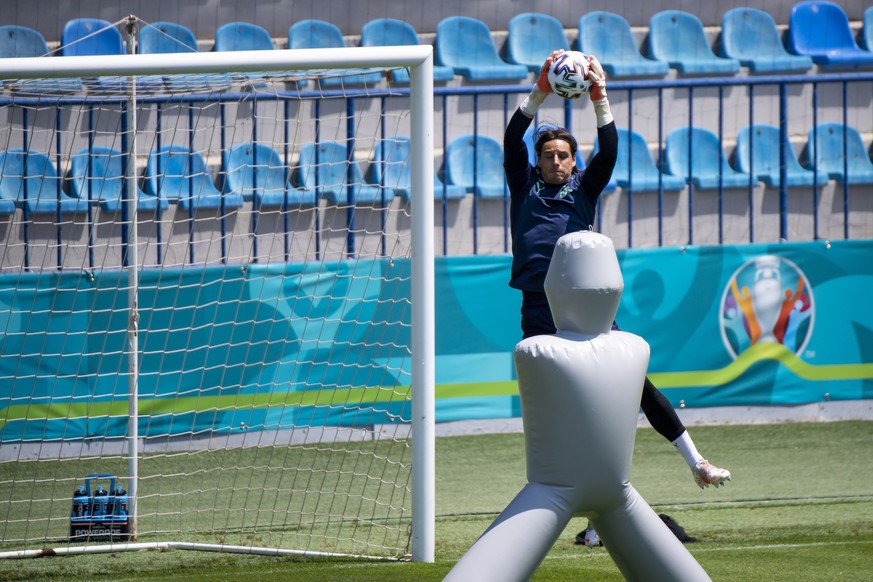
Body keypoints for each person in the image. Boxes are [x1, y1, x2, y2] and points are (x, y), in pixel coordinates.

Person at [504, 51, 730, 545]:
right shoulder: (523, 187)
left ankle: (697, 462)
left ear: (573, 160)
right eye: (549, 154)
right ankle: (585, 520)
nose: (557, 161)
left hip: (587, 308)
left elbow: (609, 149)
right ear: (538, 161)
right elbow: (510, 136)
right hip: (539, 310)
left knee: (636, 389)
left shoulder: (586, 188)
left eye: (564, 154)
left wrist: (599, 96)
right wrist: (541, 89)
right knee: (563, 413)